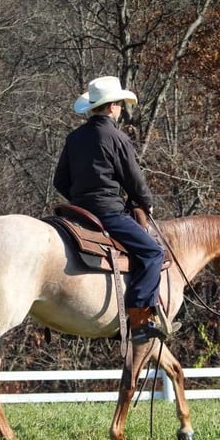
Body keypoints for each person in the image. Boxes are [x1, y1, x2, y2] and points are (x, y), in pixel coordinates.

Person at [54, 76, 165, 344]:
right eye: (120, 104)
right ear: (113, 106)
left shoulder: (74, 138)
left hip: (76, 213)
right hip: (108, 213)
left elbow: (60, 181)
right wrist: (145, 202)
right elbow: (134, 180)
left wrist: (79, 199)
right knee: (153, 253)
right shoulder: (116, 137)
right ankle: (139, 320)